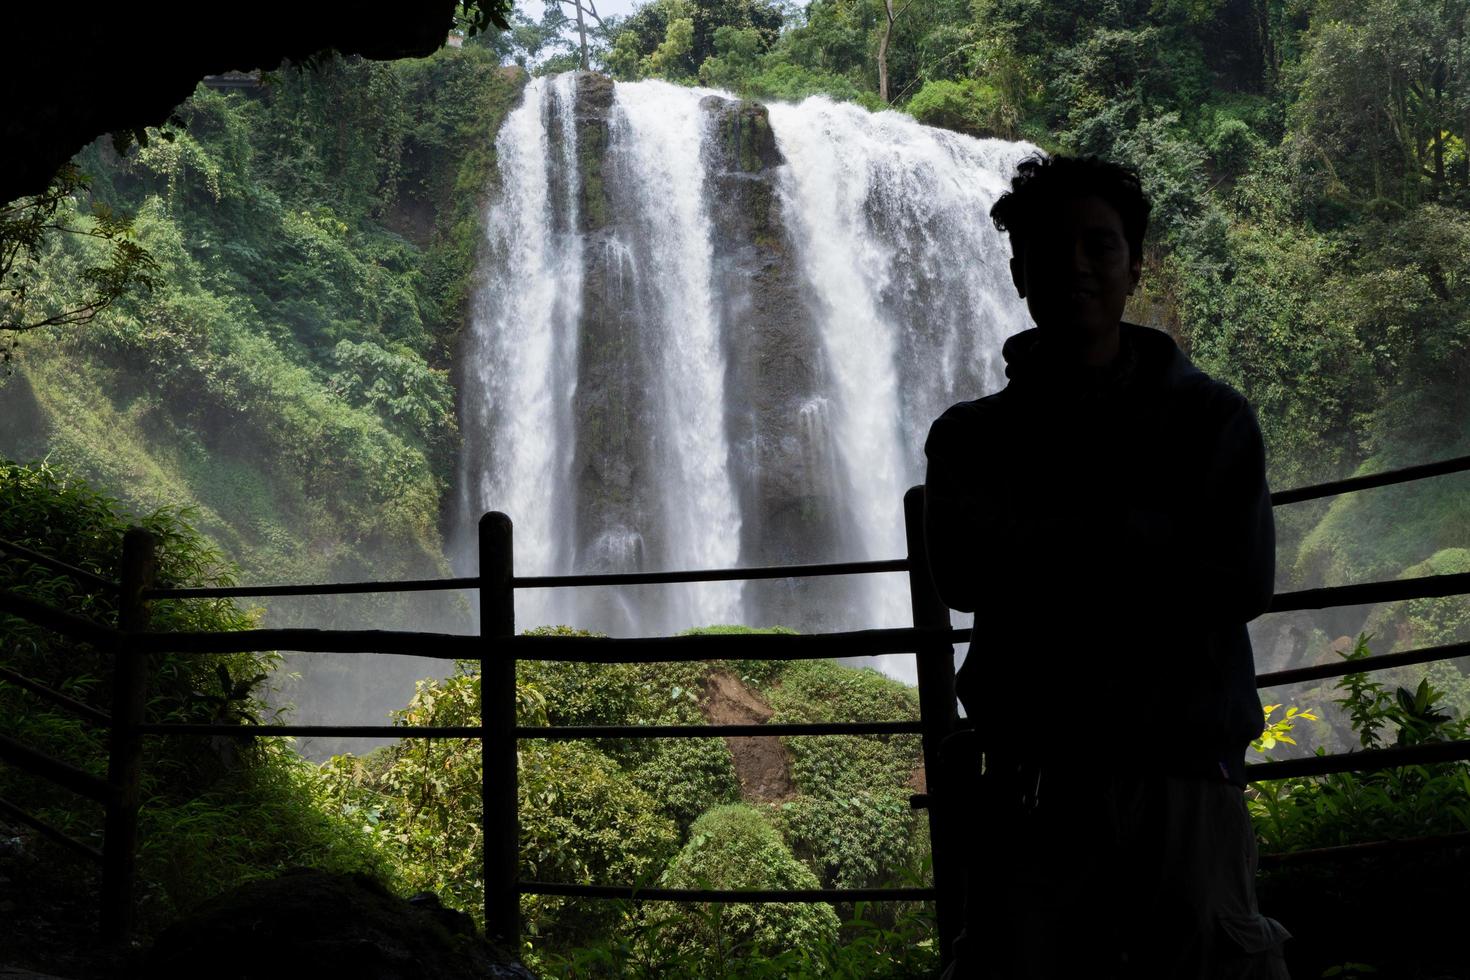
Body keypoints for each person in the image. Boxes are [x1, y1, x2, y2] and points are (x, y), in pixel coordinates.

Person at [923, 155, 1290, 978]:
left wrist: (1047, 547)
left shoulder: (1213, 419)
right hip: (1032, 789)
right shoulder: (968, 438)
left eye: (1100, 245)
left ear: (1135, 263)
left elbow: (1242, 581)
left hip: (1184, 781)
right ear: (1019, 272)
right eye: (1053, 249)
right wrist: (1149, 538)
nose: (1078, 266)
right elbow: (969, 578)